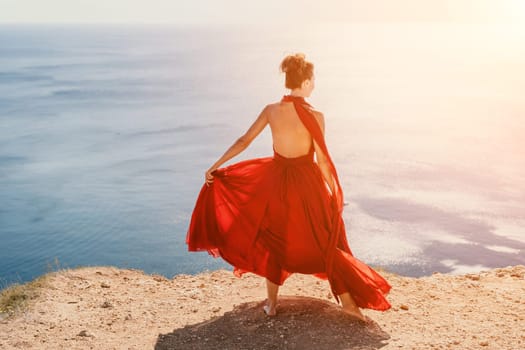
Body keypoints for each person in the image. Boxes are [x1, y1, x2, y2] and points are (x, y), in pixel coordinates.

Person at [186, 53, 391, 321]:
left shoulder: (271, 110)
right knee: (327, 239)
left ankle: (271, 305)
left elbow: (243, 140)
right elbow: (323, 161)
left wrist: (216, 165)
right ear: (305, 82)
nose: (314, 83)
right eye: (313, 79)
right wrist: (334, 193)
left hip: (275, 183)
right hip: (307, 184)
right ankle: (349, 304)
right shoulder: (315, 115)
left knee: (275, 239)